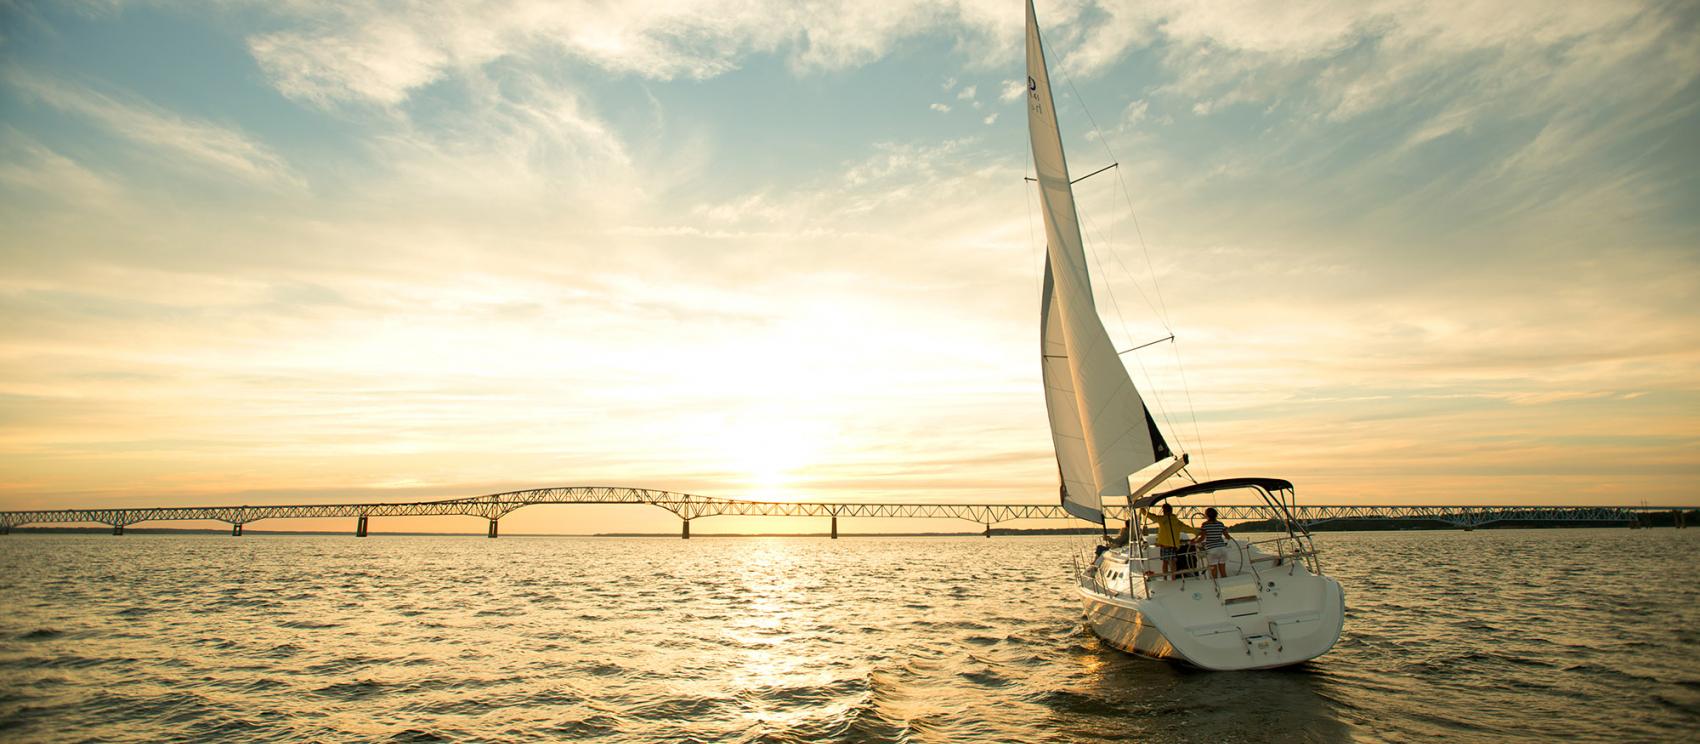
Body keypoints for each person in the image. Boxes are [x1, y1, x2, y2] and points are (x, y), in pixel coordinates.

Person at [1138, 502, 1198, 579]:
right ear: (1171, 510)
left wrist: (1142, 510)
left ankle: (1165, 578)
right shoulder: (1177, 521)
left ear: (1165, 511)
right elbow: (1188, 528)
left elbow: (1150, 516)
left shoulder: (1162, 519)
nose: (1163, 511)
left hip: (1164, 545)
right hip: (1173, 546)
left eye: (1163, 510)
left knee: (1165, 562)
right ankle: (1173, 578)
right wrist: (1197, 532)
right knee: (1173, 563)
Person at [1195, 507, 1231, 579]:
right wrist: (1225, 531)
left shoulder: (1205, 525)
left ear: (1206, 515)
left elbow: (1202, 538)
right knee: (1223, 573)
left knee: (1214, 575)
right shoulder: (1221, 524)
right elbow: (1228, 537)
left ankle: (1216, 588)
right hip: (1222, 549)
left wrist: (1194, 542)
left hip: (1212, 550)